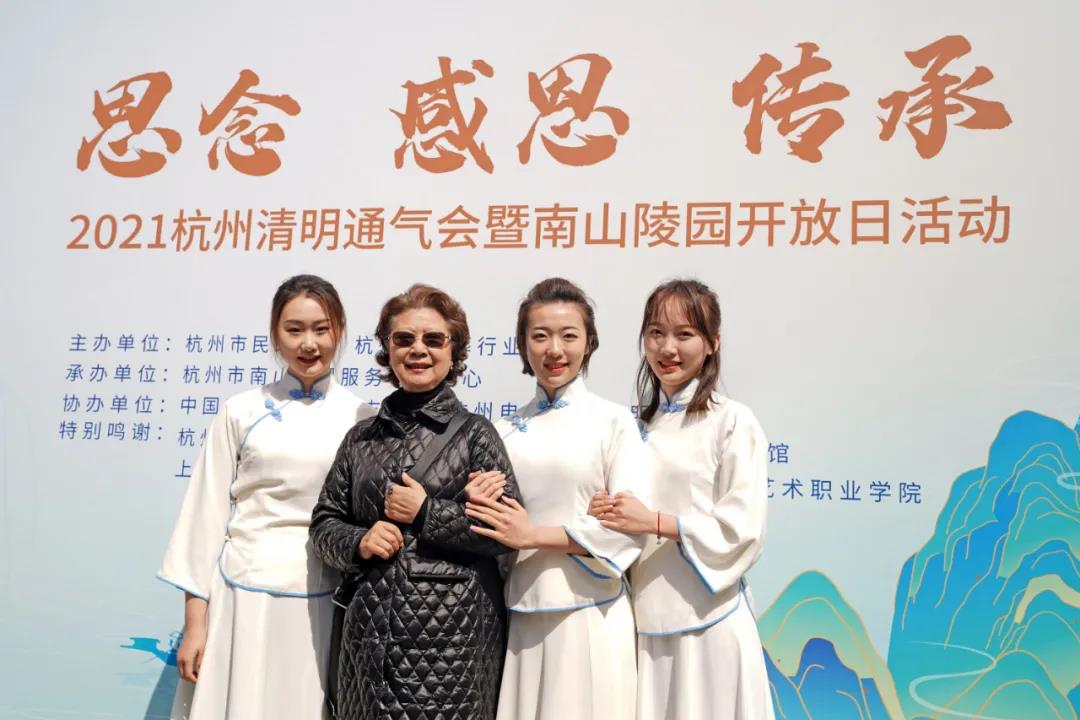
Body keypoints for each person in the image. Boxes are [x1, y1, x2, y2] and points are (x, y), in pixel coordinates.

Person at [158, 274, 373, 719]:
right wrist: (195, 625)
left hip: (324, 598)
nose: (308, 343)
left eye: (321, 329)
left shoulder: (362, 418)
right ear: (275, 333)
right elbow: (204, 516)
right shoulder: (241, 410)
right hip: (242, 596)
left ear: (340, 331)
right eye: (294, 330)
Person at [309, 283, 522, 720]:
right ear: (388, 350)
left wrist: (427, 512)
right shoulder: (361, 439)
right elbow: (324, 522)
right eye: (403, 338)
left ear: (453, 350)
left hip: (452, 645)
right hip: (367, 643)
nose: (418, 350)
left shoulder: (475, 435)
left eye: (433, 339)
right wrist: (359, 541)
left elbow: (505, 532)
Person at [588, 279, 774, 719]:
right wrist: (605, 512)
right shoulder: (634, 428)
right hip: (644, 624)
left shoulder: (732, 422)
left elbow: (742, 530)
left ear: (713, 343)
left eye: (684, 334)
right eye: (656, 333)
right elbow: (623, 523)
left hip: (709, 622)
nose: (667, 348)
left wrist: (654, 522)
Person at [465, 277, 644, 720]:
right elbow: (490, 525)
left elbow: (627, 528)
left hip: (593, 614)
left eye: (569, 336)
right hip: (523, 612)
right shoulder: (504, 430)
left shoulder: (614, 423)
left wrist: (533, 534)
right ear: (523, 344)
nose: (554, 350)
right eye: (540, 336)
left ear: (589, 342)